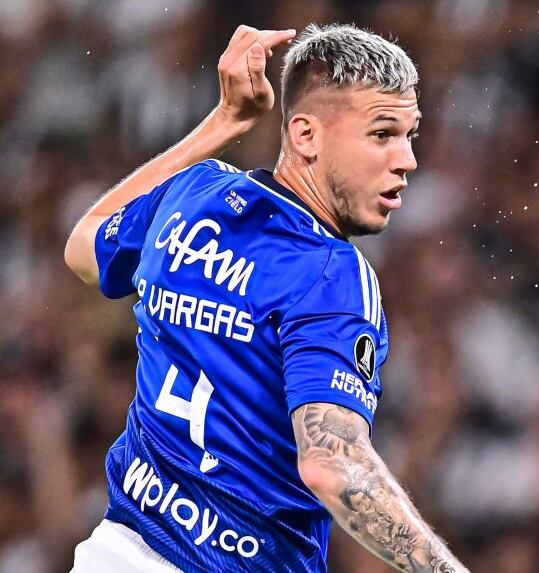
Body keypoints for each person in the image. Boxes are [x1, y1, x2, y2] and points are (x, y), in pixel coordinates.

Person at [63, 23, 469, 573]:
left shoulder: (194, 194)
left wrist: (226, 119)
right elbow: (332, 466)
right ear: (305, 136)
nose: (407, 160)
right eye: (381, 134)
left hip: (113, 554)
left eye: (409, 135)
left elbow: (86, 249)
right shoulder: (331, 273)